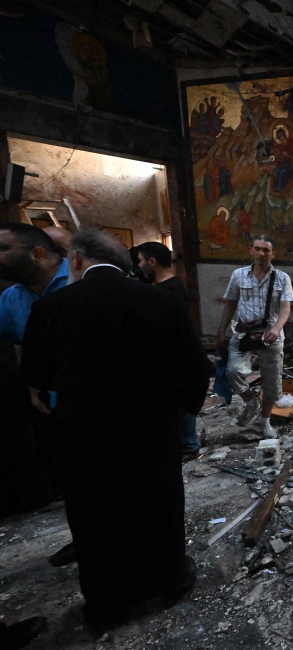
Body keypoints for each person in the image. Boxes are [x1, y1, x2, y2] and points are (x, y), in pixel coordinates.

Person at [21, 230, 210, 629]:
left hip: (83, 435)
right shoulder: (161, 302)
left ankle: (107, 604)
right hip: (150, 429)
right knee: (158, 505)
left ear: (76, 260)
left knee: (94, 515)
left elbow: (38, 375)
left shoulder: (53, 305)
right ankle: (171, 580)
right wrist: (179, 412)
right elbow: (196, 368)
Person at [0, 224, 69, 518]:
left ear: (37, 254)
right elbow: (18, 343)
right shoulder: (11, 298)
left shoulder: (81, 283)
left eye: (3, 248)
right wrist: (31, 386)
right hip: (50, 402)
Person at [218, 235, 293, 438]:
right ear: (251, 251)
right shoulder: (238, 275)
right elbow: (230, 303)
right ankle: (251, 402)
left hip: (271, 334)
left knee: (272, 382)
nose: (262, 253)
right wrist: (222, 329)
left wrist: (276, 328)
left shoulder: (282, 278)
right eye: (258, 249)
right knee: (233, 370)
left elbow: (286, 308)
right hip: (244, 332)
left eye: (266, 250)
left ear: (273, 254)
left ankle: (265, 421)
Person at [138, 242, 199, 461]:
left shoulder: (169, 291)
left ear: (152, 261)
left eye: (141, 261)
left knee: (179, 399)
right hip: (174, 354)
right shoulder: (166, 287)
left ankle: (188, 445)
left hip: (174, 355)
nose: (139, 266)